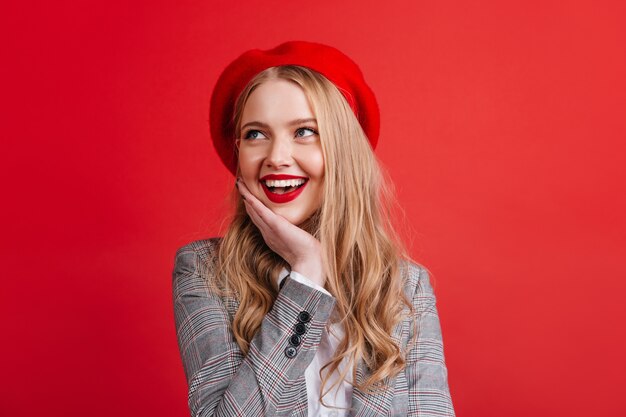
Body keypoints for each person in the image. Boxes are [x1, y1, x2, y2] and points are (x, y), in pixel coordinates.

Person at [173, 41, 454, 417]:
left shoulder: (406, 286)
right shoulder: (205, 270)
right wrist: (306, 276)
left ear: (344, 151)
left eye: (304, 131)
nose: (276, 157)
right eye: (256, 134)